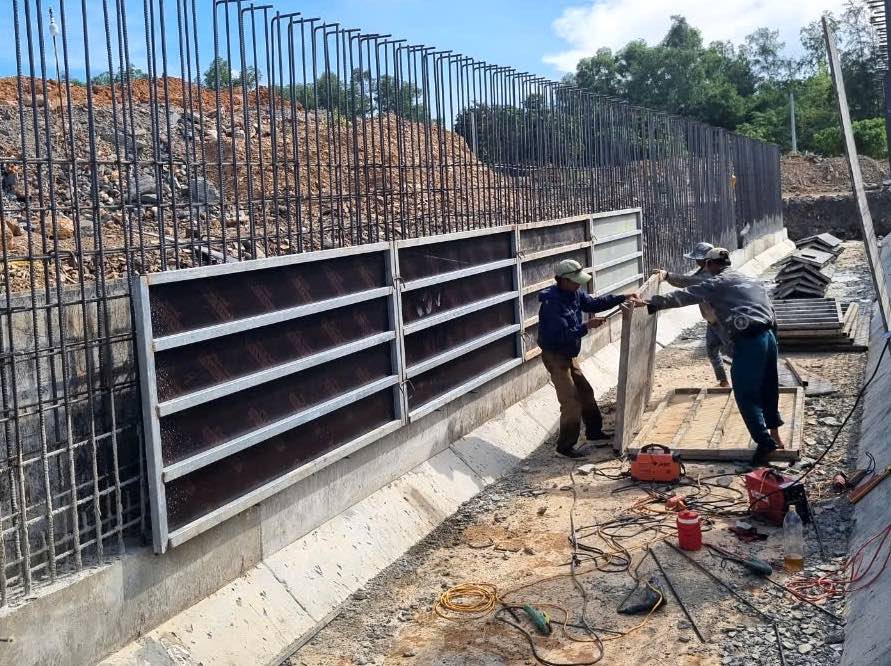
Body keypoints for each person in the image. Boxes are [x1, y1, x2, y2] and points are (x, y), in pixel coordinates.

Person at [634, 248, 784, 467]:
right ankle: (776, 435)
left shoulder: (717, 282)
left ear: (710, 265)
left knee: (745, 394)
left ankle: (765, 443)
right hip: (769, 336)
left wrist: (651, 303)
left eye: (704, 265)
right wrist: (774, 341)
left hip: (750, 341)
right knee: (769, 388)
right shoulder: (749, 278)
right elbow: (770, 309)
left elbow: (685, 295)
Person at [537, 259, 641, 458]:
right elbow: (559, 336)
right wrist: (586, 327)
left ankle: (594, 432)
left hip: (568, 354)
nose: (579, 285)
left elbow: (593, 303)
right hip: (556, 356)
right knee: (571, 402)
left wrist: (622, 297)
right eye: (575, 281)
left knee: (585, 392)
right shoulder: (552, 304)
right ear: (563, 280)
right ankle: (564, 447)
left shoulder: (573, 293)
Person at [652, 241, 731, 387]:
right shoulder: (705, 271)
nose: (696, 261)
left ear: (708, 261)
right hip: (712, 320)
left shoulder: (710, 275)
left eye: (699, 258)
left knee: (733, 352)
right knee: (712, 350)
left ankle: (742, 382)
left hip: (722, 321)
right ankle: (723, 380)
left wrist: (668, 276)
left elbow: (688, 283)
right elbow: (689, 282)